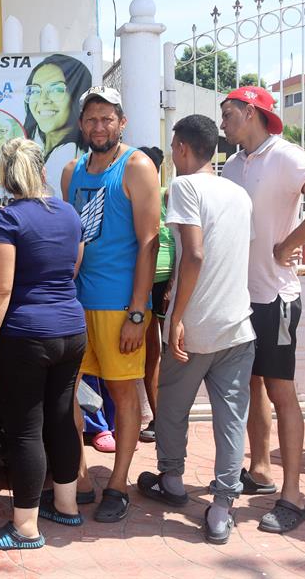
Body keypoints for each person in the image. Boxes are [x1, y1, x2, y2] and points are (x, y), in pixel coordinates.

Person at [135, 114, 256, 545]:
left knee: (171, 406)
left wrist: (177, 319)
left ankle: (171, 481)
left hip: (197, 327)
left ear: (183, 148)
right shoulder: (238, 193)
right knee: (230, 418)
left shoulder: (184, 187)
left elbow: (195, 254)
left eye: (173, 147)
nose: (171, 154)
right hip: (239, 326)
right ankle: (222, 505)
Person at [220, 85, 305, 534]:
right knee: (251, 384)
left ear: (250, 112)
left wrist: (291, 243)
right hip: (239, 296)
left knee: (281, 390)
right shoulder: (231, 164)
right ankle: (261, 471)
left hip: (275, 298)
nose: (223, 121)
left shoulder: (285, 156)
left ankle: (292, 497)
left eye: (228, 113)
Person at [0, 138, 86, 550]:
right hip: (71, 331)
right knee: (60, 419)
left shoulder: (8, 219)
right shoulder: (69, 213)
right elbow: (71, 268)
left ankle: (24, 527)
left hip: (25, 335)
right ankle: (67, 506)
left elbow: (0, 289)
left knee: (25, 430)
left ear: (6, 175)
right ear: (41, 170)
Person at [61, 87, 160, 523]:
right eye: (91, 119)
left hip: (121, 305)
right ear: (81, 124)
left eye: (107, 118)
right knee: (69, 395)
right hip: (75, 305)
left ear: (122, 123)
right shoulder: (70, 171)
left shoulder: (137, 166)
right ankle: (79, 478)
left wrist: (138, 312)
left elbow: (149, 243)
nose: (98, 127)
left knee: (122, 394)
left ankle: (118, 484)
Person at [139, 145, 173, 443]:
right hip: (143, 282)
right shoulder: (132, 195)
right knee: (151, 354)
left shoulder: (167, 195)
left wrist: (174, 281)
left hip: (166, 284)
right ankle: (158, 419)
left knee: (175, 352)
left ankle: (172, 419)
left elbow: (182, 240)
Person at [23, 54, 91, 171]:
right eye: (35, 90)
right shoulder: (31, 148)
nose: (43, 100)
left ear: (75, 96)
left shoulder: (76, 159)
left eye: (56, 89)